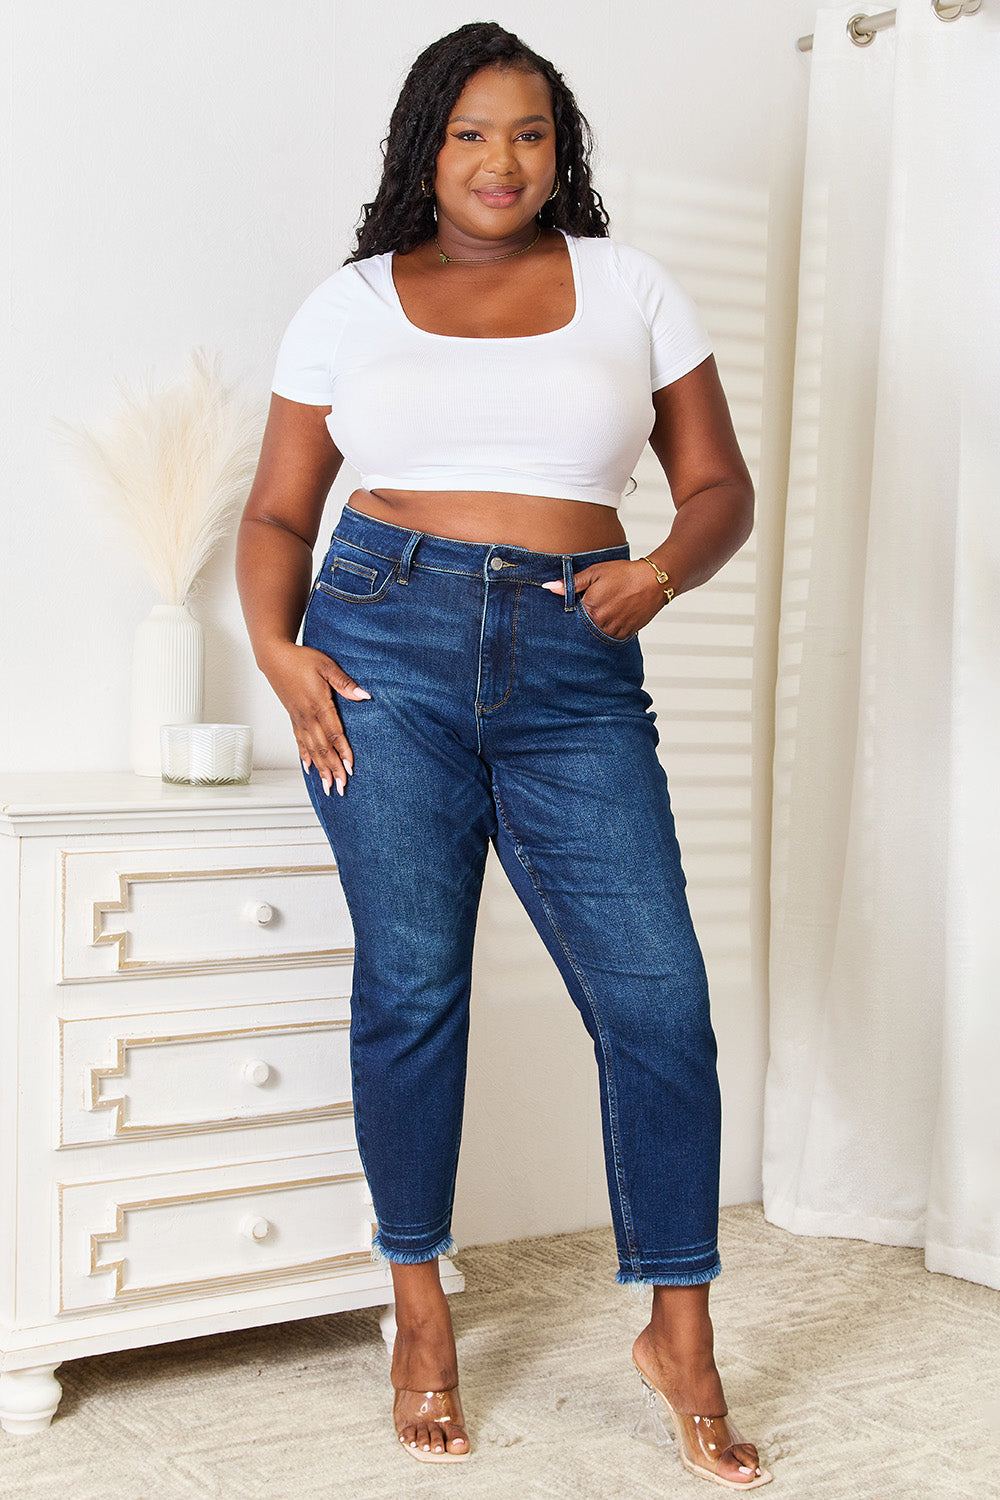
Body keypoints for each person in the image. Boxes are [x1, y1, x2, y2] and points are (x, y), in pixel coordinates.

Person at [236, 20, 769, 1490]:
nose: (500, 159)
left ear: (562, 149)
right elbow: (281, 514)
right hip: (381, 650)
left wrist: (659, 573)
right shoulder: (348, 304)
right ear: (426, 146)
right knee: (413, 984)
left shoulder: (630, 285)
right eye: (470, 132)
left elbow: (716, 483)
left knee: (660, 1000)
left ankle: (680, 1330)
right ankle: (418, 1308)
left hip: (575, 663)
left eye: (528, 131)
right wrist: (283, 656)